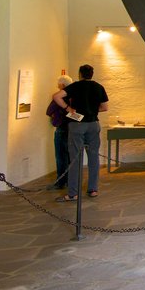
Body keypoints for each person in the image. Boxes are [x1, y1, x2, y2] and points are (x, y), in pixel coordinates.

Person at [52, 64, 109, 201]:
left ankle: (73, 192)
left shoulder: (75, 86)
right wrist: (93, 110)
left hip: (77, 123)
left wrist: (68, 109)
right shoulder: (99, 87)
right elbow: (105, 107)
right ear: (92, 74)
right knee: (94, 158)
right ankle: (93, 189)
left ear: (80, 74)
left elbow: (57, 97)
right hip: (93, 124)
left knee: (75, 159)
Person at [44, 74, 74, 189]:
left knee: (61, 155)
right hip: (72, 128)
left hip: (61, 128)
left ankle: (61, 181)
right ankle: (70, 180)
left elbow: (49, 110)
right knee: (70, 155)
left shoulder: (59, 97)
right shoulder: (73, 97)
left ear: (62, 85)